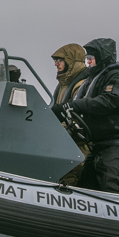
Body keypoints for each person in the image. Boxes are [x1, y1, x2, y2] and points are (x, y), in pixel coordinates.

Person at [65, 37, 119, 193]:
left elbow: (109, 101)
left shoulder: (118, 78)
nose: (89, 62)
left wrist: (74, 105)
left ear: (102, 58)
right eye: (87, 59)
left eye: (92, 58)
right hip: (101, 142)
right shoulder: (91, 80)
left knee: (110, 183)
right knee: (86, 184)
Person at [50, 42, 90, 185]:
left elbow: (79, 116)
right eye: (56, 61)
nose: (56, 64)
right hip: (62, 139)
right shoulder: (62, 85)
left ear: (71, 62)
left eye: (60, 61)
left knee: (69, 174)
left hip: (77, 143)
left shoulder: (83, 85)